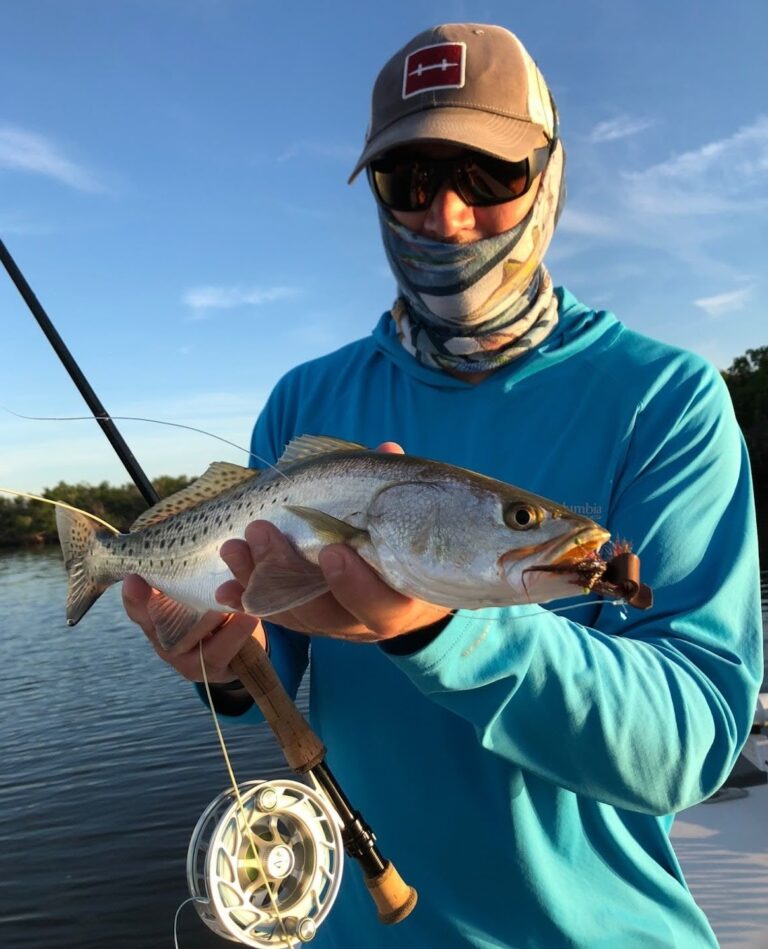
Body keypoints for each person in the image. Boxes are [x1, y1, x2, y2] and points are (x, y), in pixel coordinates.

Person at [123, 23, 762, 948]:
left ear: (551, 173)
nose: (446, 216)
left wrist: (442, 628)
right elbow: (269, 655)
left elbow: (694, 742)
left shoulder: (664, 399)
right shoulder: (308, 401)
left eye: (488, 174)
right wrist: (218, 659)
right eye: (409, 181)